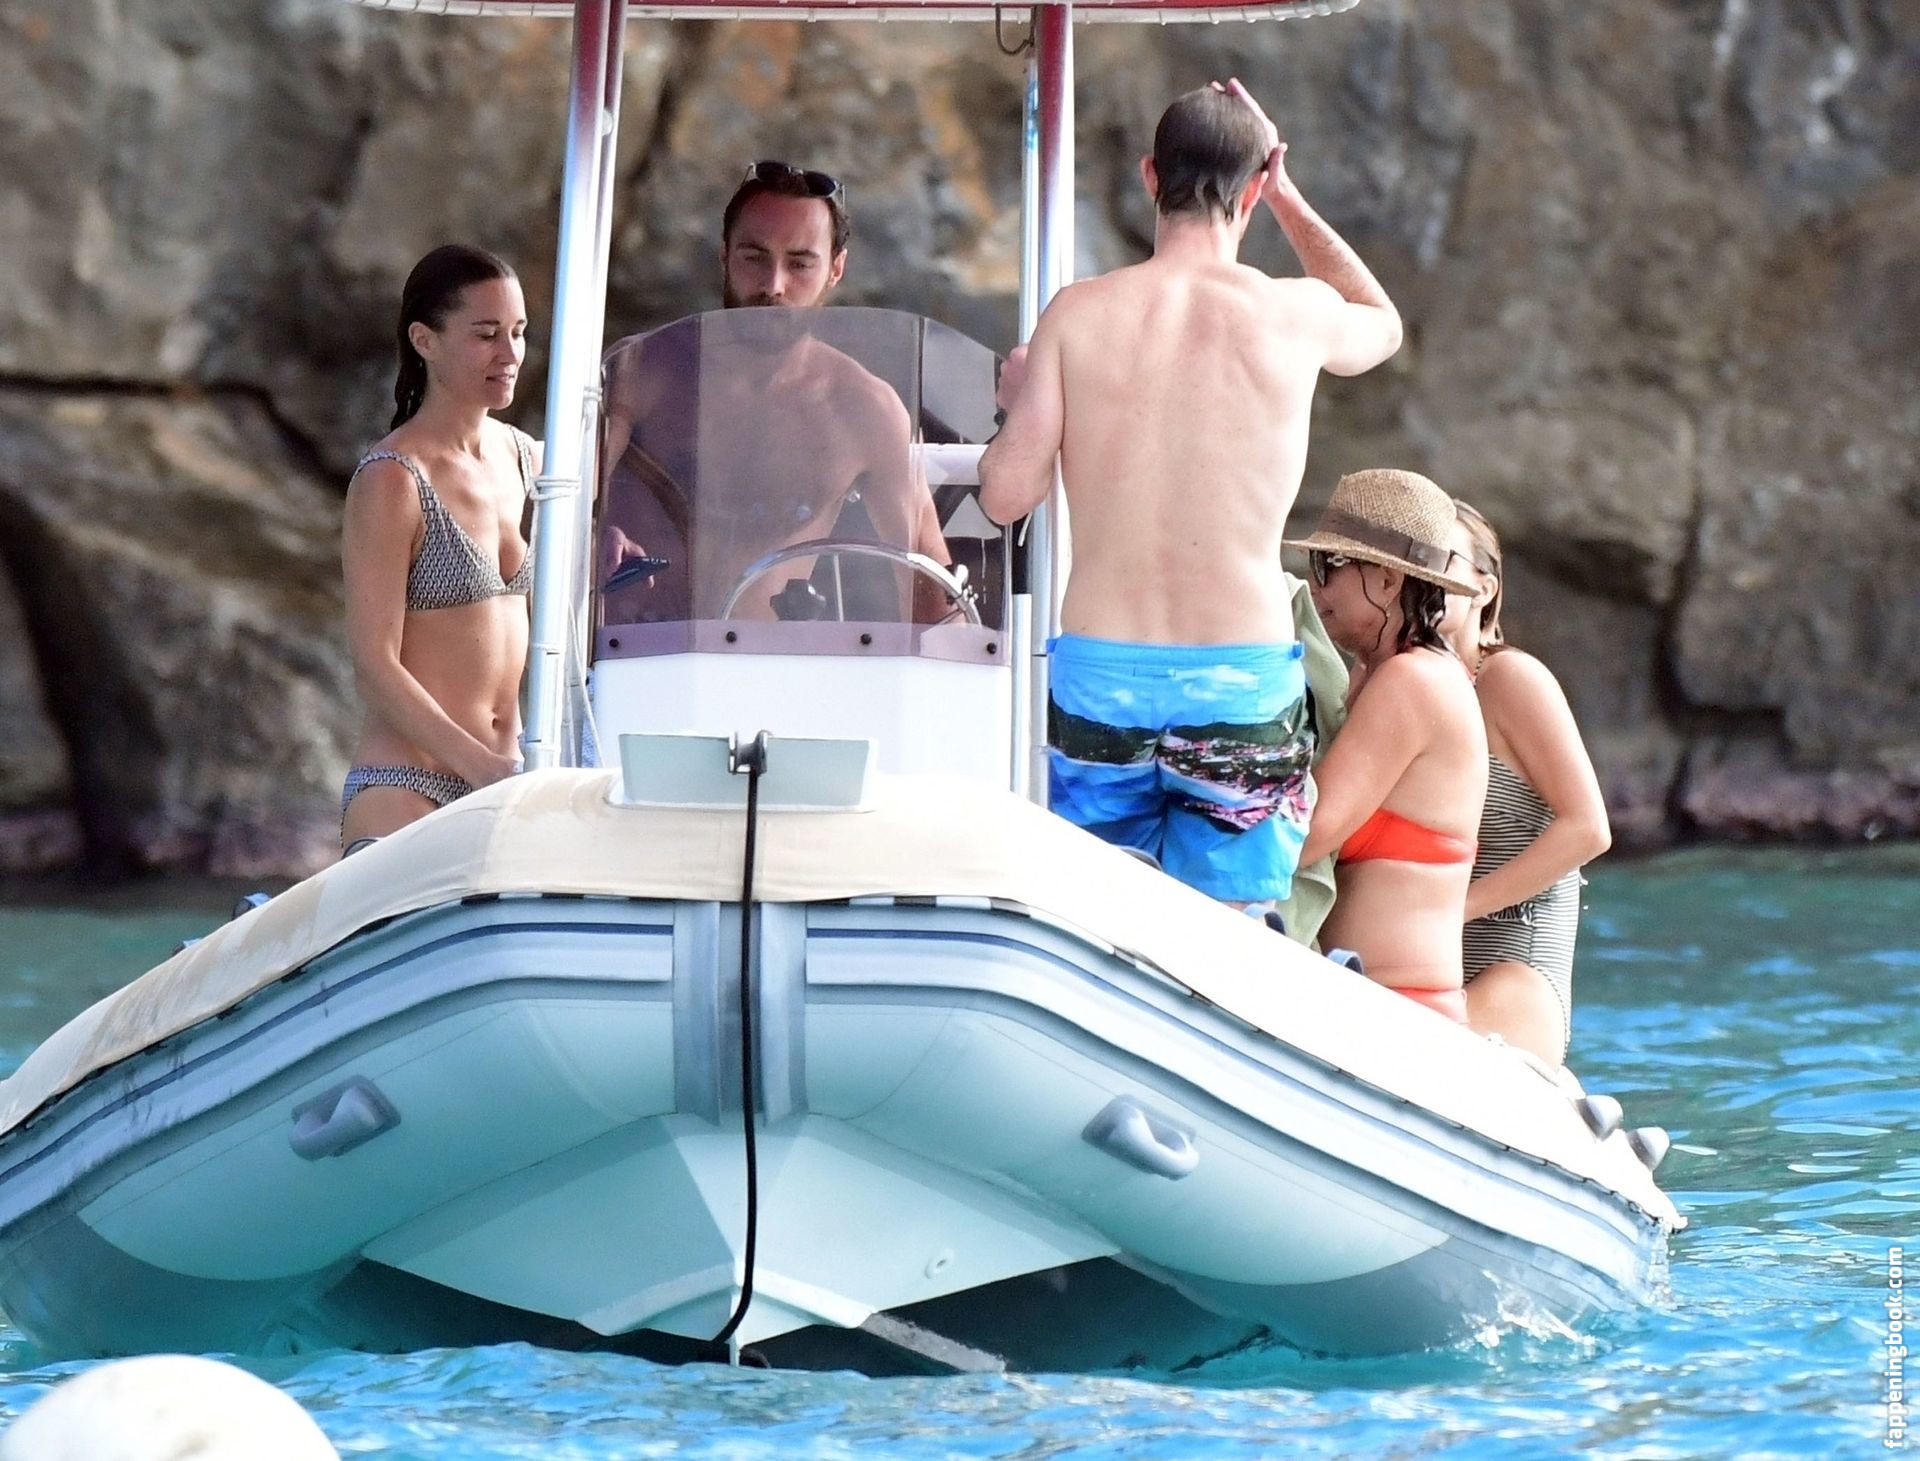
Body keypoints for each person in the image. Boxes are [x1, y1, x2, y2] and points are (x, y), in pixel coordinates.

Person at [978, 80, 1403, 909]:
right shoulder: (1295, 313)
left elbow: (1005, 496)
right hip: (1239, 678)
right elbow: (1380, 320)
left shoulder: (1077, 315)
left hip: (1103, 677)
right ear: (1254, 186)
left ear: (1150, 175)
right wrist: (1287, 196)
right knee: (1231, 935)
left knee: (1093, 921)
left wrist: (1022, 404)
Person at [599, 161, 948, 626]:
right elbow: (567, 509)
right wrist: (596, 536)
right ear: (724, 255)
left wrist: (960, 663)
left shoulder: (864, 407)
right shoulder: (642, 369)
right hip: (634, 650)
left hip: (770, 659)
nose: (773, 286)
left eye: (800, 263)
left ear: (836, 269)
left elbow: (928, 577)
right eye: (754, 257)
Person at [339, 244, 538, 849]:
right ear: (424, 340)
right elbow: (374, 667)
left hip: (506, 784)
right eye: (486, 335)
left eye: (518, 332)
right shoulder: (392, 479)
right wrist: (484, 769)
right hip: (409, 786)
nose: (510, 354)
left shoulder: (530, 461)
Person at [1290, 469, 1487, 1020]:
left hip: (1399, 1013)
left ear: (1386, 580)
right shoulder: (1373, 676)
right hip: (1379, 1005)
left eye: (1328, 566)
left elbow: (1304, 835)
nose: (1314, 586)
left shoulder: (1412, 682)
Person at [1444, 499, 1612, 1064]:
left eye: (1443, 560)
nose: (1425, 577)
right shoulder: (1397, 684)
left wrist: (1451, 910)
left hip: (1513, 978)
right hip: (1424, 965)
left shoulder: (1509, 678)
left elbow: (1588, 827)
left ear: (1484, 588)